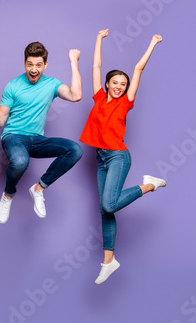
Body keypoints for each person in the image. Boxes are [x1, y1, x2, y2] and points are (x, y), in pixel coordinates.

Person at [80, 30, 166, 284]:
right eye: (115, 82)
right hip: (101, 159)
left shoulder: (126, 102)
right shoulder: (98, 98)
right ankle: (109, 261)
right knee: (105, 211)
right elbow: (96, 65)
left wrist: (152, 43)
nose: (119, 87)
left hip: (118, 156)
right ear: (107, 84)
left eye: (123, 84)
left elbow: (138, 69)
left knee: (109, 204)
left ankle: (149, 184)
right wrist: (98, 39)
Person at [0, 42, 83, 224]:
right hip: (13, 137)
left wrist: (73, 62)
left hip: (36, 139)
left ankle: (39, 188)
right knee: (21, 161)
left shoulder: (52, 84)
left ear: (45, 65)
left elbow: (75, 95)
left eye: (38, 65)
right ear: (24, 64)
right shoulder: (13, 86)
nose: (34, 69)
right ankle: (8, 194)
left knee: (75, 150)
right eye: (30, 64)